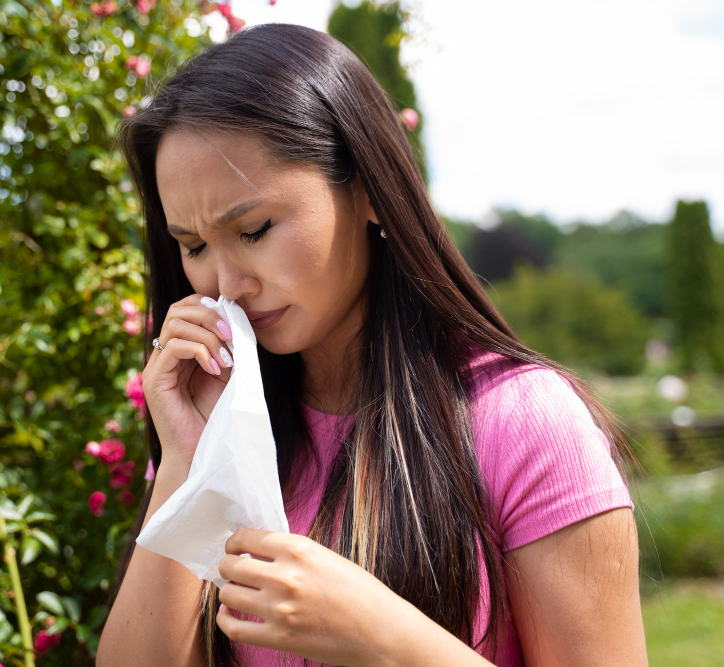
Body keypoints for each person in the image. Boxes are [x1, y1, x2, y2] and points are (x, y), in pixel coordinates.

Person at [97, 23, 647, 667]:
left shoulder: (522, 421)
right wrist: (189, 462)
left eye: (254, 229)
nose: (226, 284)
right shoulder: (224, 424)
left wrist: (383, 639)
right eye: (192, 246)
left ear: (366, 191)